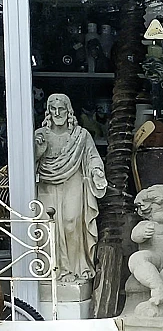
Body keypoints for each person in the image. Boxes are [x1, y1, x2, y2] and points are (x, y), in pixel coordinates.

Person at [34, 92, 107, 284]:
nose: (58, 113)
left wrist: (97, 171)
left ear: (69, 111)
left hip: (73, 180)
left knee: (71, 221)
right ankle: (52, 270)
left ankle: (76, 267)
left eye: (62, 109)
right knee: (48, 224)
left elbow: (92, 157)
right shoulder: (40, 136)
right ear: (48, 112)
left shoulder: (81, 135)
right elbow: (26, 166)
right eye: (53, 109)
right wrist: (38, 152)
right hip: (47, 184)